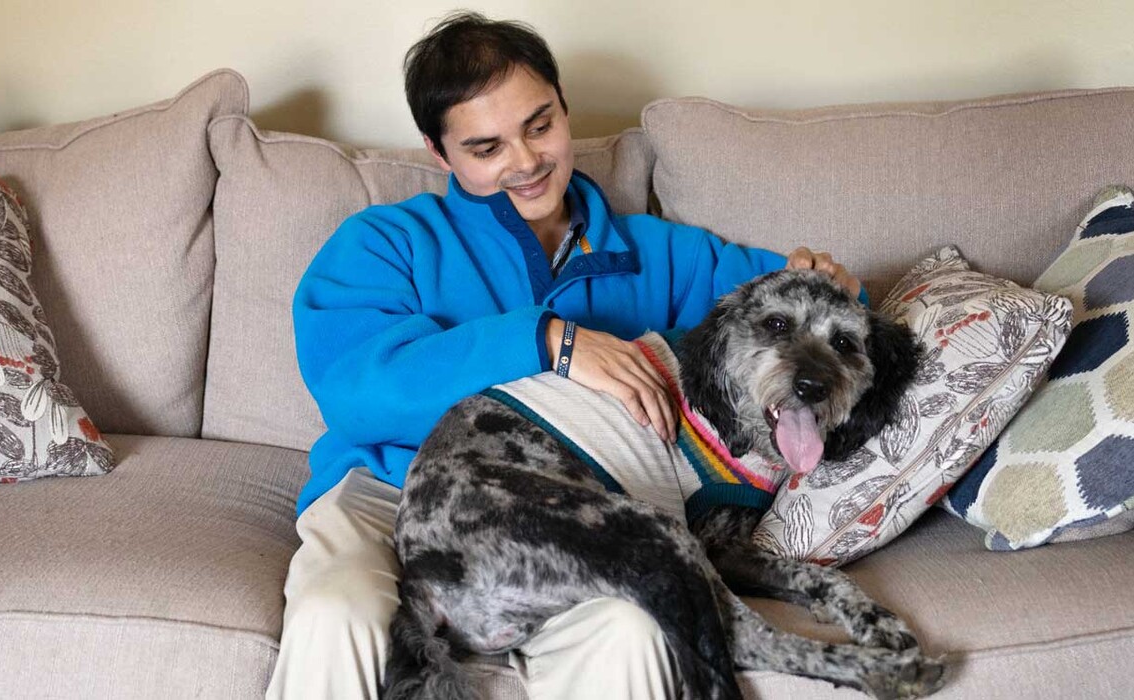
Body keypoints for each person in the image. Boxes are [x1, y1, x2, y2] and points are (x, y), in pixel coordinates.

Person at [269, 11, 862, 700]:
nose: (524, 162)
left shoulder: (661, 255)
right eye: (486, 147)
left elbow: (811, 311)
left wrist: (831, 281)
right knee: (333, 612)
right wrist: (548, 342)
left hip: (571, 516)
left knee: (634, 632)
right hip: (382, 491)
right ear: (439, 153)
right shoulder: (383, 242)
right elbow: (354, 388)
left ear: (563, 106)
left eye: (539, 125)